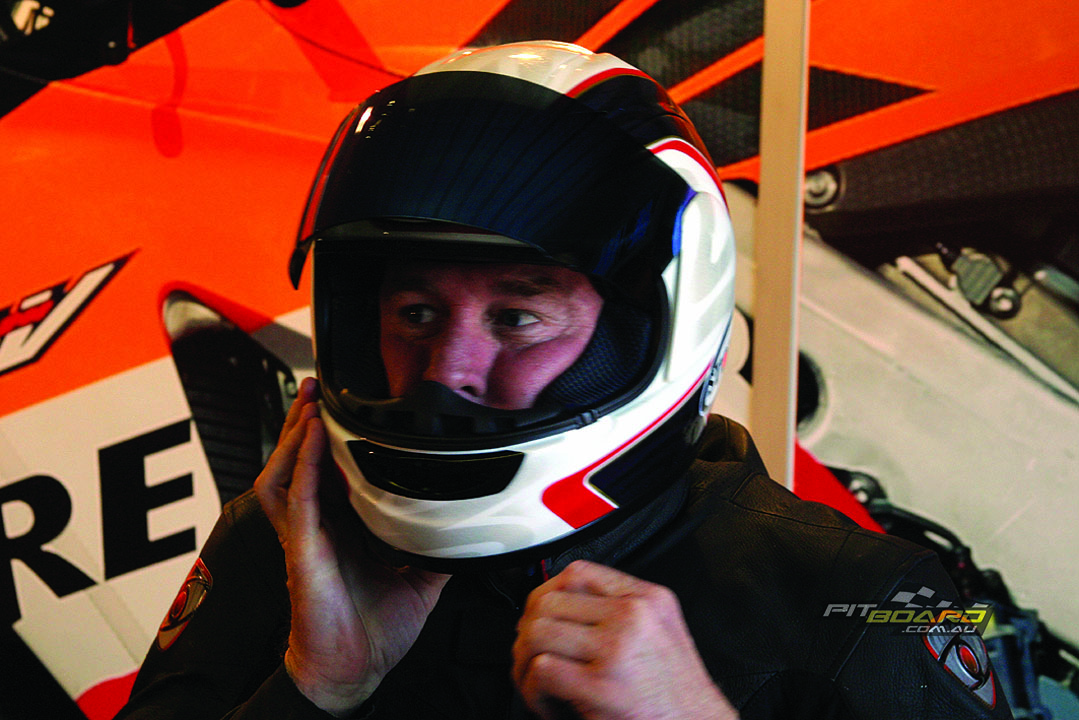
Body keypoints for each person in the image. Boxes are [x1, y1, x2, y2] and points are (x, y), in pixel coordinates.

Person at [117, 41, 1012, 720]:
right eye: (415, 314)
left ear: (649, 329)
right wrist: (316, 687)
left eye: (517, 318)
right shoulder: (290, 545)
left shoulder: (874, 596)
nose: (448, 371)